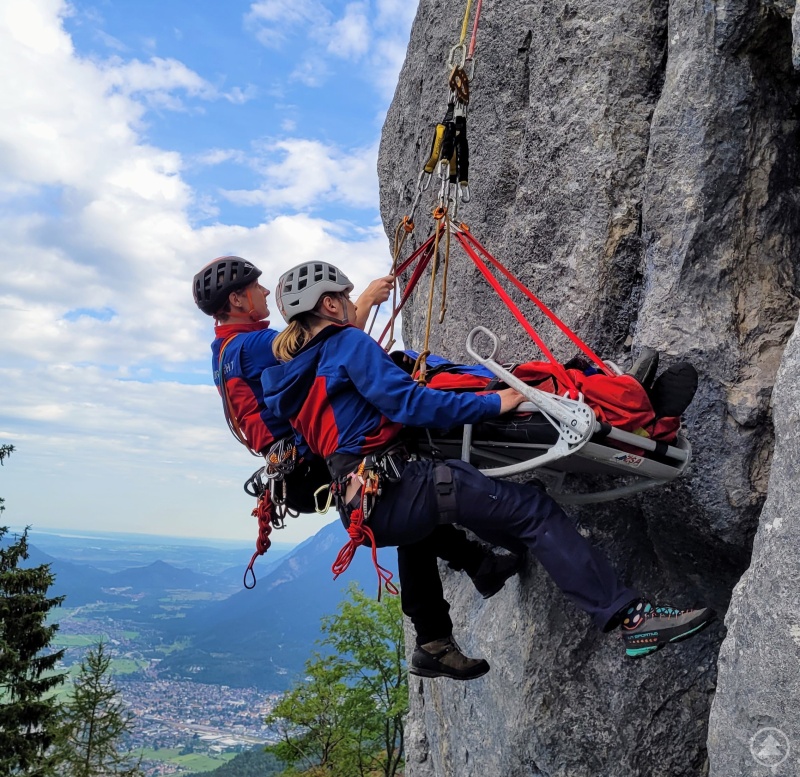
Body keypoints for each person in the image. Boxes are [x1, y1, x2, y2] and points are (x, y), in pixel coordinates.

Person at [261, 259, 715, 676]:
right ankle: (631, 619)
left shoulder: (289, 378)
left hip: (363, 504)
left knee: (495, 505)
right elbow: (410, 403)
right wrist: (497, 401)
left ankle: (467, 603)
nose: (349, 303)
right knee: (533, 510)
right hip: (399, 486)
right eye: (344, 296)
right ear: (330, 304)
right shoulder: (347, 344)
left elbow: (323, 437)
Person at [192, 256, 520, 679]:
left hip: (293, 470)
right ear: (238, 300)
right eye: (256, 288)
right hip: (311, 460)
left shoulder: (221, 353)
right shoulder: (253, 345)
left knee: (407, 507)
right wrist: (363, 301)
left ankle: (471, 577)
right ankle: (443, 621)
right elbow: (325, 345)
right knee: (406, 496)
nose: (265, 292)